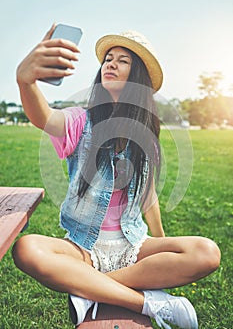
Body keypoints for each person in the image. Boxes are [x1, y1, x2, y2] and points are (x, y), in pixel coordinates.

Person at [13, 24, 221, 329]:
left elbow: (147, 195)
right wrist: (25, 82)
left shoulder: (146, 136)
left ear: (137, 76)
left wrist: (161, 246)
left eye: (122, 60)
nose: (110, 63)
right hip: (84, 249)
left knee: (206, 252)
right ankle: (149, 303)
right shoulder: (79, 121)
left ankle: (90, 288)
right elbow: (44, 117)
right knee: (27, 248)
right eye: (108, 58)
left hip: (133, 246)